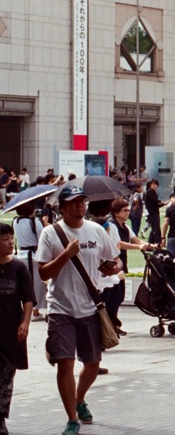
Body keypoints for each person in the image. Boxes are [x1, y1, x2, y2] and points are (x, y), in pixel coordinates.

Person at [37, 184, 122, 435]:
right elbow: (43, 273)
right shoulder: (50, 234)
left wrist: (113, 267)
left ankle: (79, 398)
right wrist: (65, 254)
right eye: (74, 202)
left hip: (90, 309)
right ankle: (72, 419)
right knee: (65, 364)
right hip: (60, 309)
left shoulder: (96, 230)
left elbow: (116, 260)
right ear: (61, 208)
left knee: (93, 364)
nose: (80, 206)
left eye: (82, 201)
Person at [0, 221, 35, 435]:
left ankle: (1, 418)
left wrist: (26, 322)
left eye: (11, 238)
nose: (10, 242)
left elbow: (28, 298)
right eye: (5, 239)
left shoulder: (19, 267)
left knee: (6, 379)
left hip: (11, 333)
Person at [104, 198, 154, 334]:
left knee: (119, 296)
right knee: (113, 296)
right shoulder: (111, 225)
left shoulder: (125, 226)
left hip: (121, 263)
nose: (128, 213)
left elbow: (135, 239)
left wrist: (150, 246)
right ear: (115, 212)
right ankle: (110, 325)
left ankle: (114, 324)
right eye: (124, 210)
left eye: (128, 210)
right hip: (113, 264)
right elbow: (119, 243)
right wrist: (139, 246)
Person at [12, 202, 47, 321]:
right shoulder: (34, 222)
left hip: (21, 255)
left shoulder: (16, 221)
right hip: (34, 256)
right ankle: (36, 311)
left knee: (25, 284)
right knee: (38, 284)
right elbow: (42, 238)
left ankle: (29, 309)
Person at [143, 180, 161, 244]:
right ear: (150, 185)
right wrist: (162, 203)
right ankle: (158, 243)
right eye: (153, 184)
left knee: (154, 228)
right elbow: (155, 202)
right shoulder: (150, 192)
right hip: (152, 213)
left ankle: (150, 243)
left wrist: (161, 203)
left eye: (155, 184)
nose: (154, 186)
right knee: (156, 229)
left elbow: (156, 203)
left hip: (154, 212)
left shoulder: (153, 192)